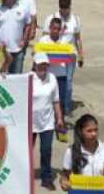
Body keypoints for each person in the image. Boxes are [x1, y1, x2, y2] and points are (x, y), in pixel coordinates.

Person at [59, 115, 104, 191]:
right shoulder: (71, 151)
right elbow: (65, 175)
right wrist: (63, 182)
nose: (94, 134)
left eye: (95, 130)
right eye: (89, 131)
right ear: (80, 132)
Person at [42, 0, 83, 115]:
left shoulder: (75, 19)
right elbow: (45, 35)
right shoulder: (52, 18)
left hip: (69, 56)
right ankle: (51, 105)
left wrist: (81, 54)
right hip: (54, 55)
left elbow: (78, 38)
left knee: (68, 83)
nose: (64, 10)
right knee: (52, 80)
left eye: (66, 8)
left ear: (70, 7)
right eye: (62, 8)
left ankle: (65, 108)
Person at [31, 53, 64, 191]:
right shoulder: (28, 78)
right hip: (30, 122)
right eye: (40, 64)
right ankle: (24, 175)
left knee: (46, 151)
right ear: (34, 65)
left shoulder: (52, 78)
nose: (43, 67)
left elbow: (56, 100)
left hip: (47, 122)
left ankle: (46, 178)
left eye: (45, 64)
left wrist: (59, 118)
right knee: (27, 151)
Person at [0, 0, 31, 75]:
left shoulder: (23, 9)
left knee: (16, 76)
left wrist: (24, 40)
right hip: (0, 50)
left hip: (18, 49)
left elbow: (28, 25)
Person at [37, 18, 71, 117]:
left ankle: (60, 121)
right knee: (47, 100)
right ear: (50, 28)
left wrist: (71, 56)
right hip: (47, 75)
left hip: (61, 75)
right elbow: (39, 57)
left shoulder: (65, 41)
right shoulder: (43, 40)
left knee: (61, 101)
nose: (56, 31)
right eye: (54, 28)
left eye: (58, 29)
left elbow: (70, 56)